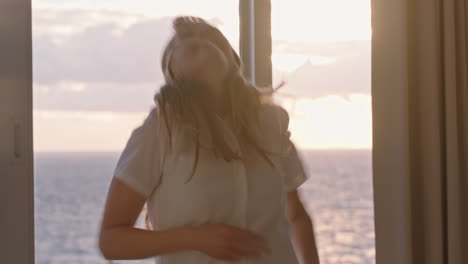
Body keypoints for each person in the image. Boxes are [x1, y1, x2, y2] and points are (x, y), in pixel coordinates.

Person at [98, 16, 320, 264]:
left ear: (232, 61)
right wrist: (196, 238)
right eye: (186, 39)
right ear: (172, 70)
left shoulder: (271, 124)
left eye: (211, 36)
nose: (200, 40)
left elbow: (297, 216)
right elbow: (111, 241)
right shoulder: (159, 132)